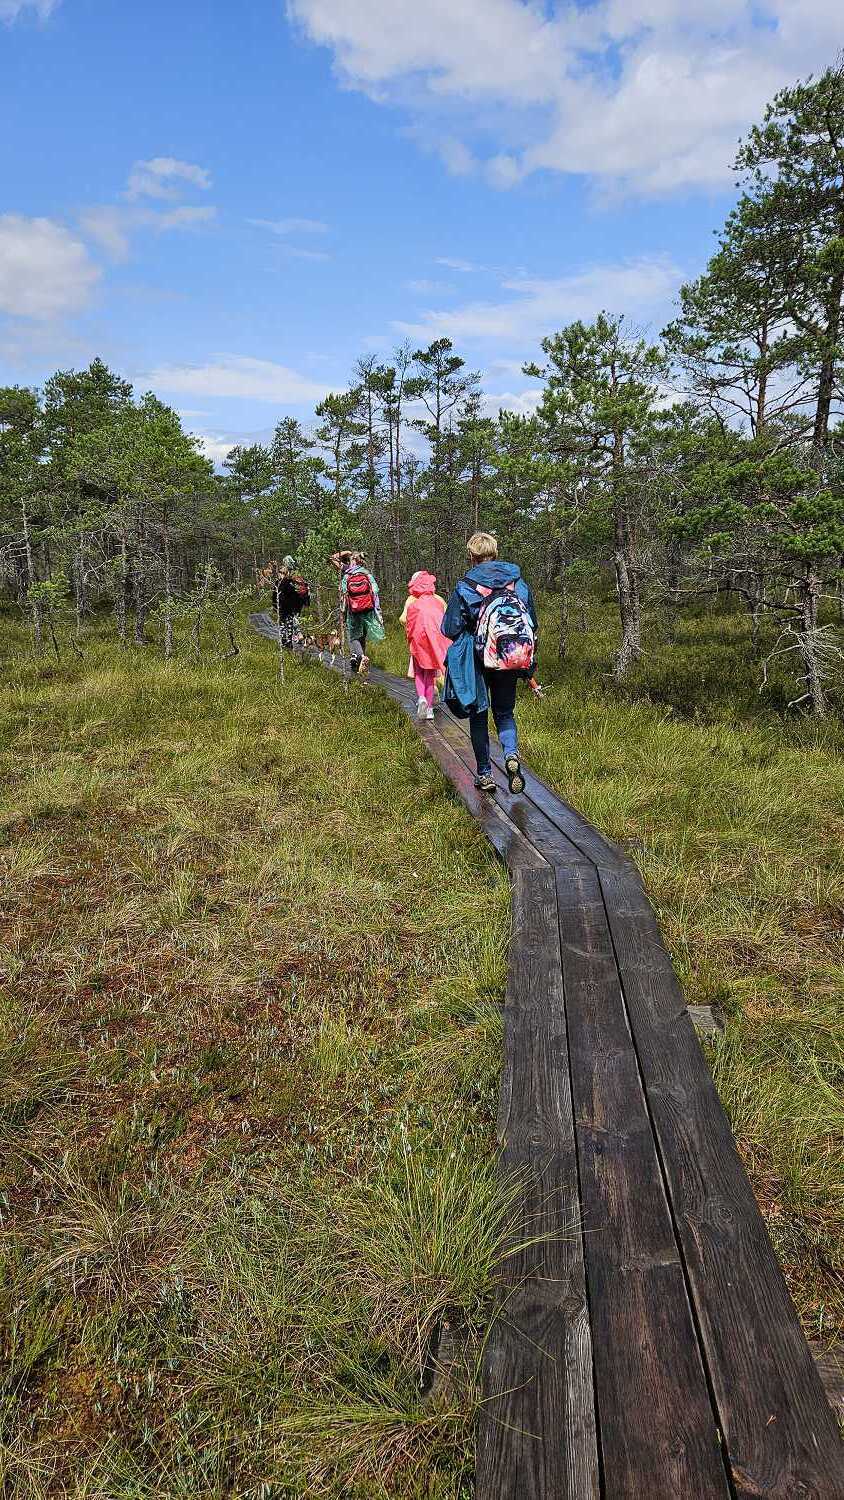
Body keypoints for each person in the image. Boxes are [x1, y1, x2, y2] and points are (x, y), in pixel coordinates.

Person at [441, 531, 537, 795]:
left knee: (479, 715)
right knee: (505, 713)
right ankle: (510, 754)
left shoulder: (466, 585)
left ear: (472, 556)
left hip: (477, 658)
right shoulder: (518, 584)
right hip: (509, 656)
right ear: (495, 552)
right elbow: (532, 623)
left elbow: (449, 628)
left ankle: (485, 774)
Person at [401, 570, 448, 720]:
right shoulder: (438, 602)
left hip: (417, 645)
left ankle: (421, 697)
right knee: (430, 676)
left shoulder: (413, 603)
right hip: (433, 645)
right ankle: (429, 708)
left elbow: (407, 623)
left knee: (419, 674)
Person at [330, 550, 384, 677]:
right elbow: (375, 592)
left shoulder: (348, 573)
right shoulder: (367, 574)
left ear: (351, 560)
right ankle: (361, 662)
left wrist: (345, 552)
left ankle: (362, 657)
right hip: (368, 609)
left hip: (353, 610)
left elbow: (332, 558)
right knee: (362, 636)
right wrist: (378, 612)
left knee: (354, 636)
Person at [273, 555, 310, 649]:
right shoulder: (293, 579)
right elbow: (296, 595)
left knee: (283, 624)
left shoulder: (279, 582)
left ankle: (286, 641)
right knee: (290, 623)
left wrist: (275, 606)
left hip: (283, 608)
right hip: (292, 607)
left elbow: (274, 596)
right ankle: (290, 640)